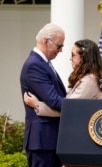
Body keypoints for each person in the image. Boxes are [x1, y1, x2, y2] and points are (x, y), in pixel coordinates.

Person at [20, 23, 66, 167]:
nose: (61, 51)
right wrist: (78, 106)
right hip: (42, 141)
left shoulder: (43, 63)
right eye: (59, 46)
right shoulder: (34, 65)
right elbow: (54, 101)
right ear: (46, 41)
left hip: (49, 140)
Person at [23, 39, 102, 116]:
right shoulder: (86, 78)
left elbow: (69, 108)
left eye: (73, 55)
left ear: (83, 58)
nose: (70, 58)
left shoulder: (89, 81)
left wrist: (37, 105)